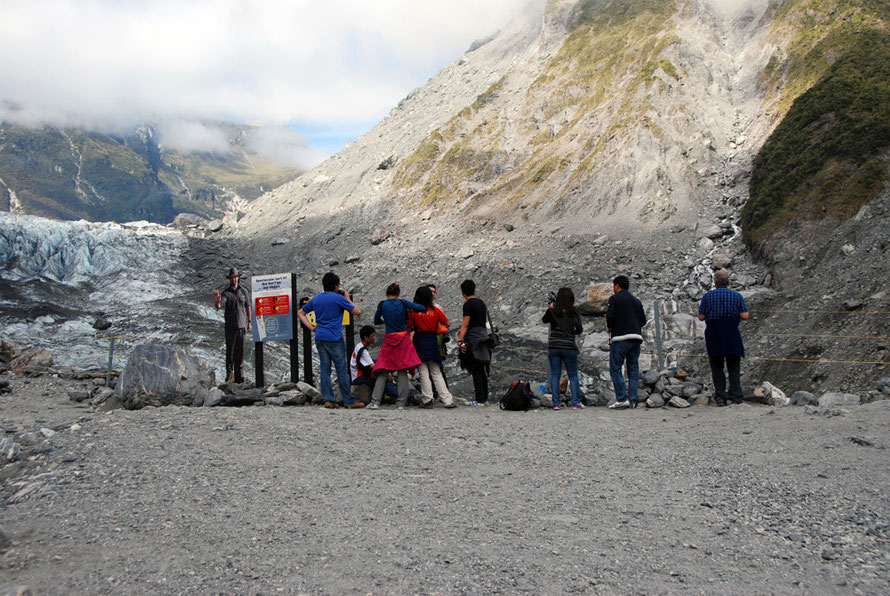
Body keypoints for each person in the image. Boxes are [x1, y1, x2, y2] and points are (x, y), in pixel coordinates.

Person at [297, 271, 364, 409]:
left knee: (325, 368)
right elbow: (357, 311)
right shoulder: (338, 299)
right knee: (341, 369)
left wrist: (311, 327)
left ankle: (329, 399)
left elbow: (301, 313)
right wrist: (347, 298)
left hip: (320, 337)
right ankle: (349, 401)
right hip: (334, 338)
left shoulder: (316, 299)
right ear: (335, 286)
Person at [369, 283, 426, 410]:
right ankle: (401, 403)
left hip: (389, 339)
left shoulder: (382, 304)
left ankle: (375, 402)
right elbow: (421, 308)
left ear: (387, 293)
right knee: (402, 371)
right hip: (403, 340)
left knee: (383, 370)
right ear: (398, 293)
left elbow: (376, 321)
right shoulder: (403, 303)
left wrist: (385, 321)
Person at [698, 269, 750, 406]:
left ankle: (720, 397)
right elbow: (745, 316)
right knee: (733, 366)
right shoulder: (737, 296)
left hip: (714, 335)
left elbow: (701, 316)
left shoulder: (708, 296)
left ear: (715, 282)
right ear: (728, 282)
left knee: (717, 367)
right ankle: (736, 396)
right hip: (732, 334)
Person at [409, 286, 456, 409]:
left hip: (419, 341)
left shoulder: (414, 311)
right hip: (432, 340)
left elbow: (409, 326)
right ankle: (447, 400)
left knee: (423, 371)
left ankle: (427, 399)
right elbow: (447, 323)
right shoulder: (436, 310)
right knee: (436, 371)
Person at [606, 275, 646, 409]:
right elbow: (643, 321)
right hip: (636, 338)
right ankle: (633, 400)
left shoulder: (614, 299)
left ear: (617, 286)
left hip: (620, 337)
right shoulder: (636, 301)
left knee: (616, 368)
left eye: (613, 286)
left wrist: (611, 326)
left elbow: (610, 317)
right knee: (633, 369)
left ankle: (622, 398)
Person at [542, 287, 584, 410]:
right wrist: (570, 333)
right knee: (573, 375)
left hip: (554, 346)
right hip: (569, 347)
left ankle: (556, 403)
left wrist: (551, 307)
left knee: (555, 375)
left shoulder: (553, 311)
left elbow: (544, 320)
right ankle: (576, 402)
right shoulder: (574, 312)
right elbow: (580, 329)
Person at [212, 267, 252, 384]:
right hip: (230, 328)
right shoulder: (226, 293)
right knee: (230, 352)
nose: (234, 279)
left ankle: (240, 376)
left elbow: (247, 307)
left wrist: (249, 322)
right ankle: (229, 375)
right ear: (229, 279)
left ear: (238, 277)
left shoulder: (243, 292)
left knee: (240, 352)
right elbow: (220, 306)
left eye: (235, 277)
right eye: (232, 277)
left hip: (241, 326)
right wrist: (217, 301)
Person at [457, 279, 492, 406]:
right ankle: (484, 398)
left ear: (462, 292)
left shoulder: (468, 304)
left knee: (475, 368)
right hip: (483, 337)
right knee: (482, 368)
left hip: (473, 338)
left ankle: (479, 399)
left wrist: (460, 340)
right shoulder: (481, 303)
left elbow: (465, 324)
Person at [350, 325, 399, 403]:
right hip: (358, 377)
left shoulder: (359, 345)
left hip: (358, 372)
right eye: (372, 336)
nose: (374, 337)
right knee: (382, 381)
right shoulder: (363, 351)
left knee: (381, 364)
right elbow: (373, 367)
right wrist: (387, 374)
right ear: (366, 338)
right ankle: (404, 397)